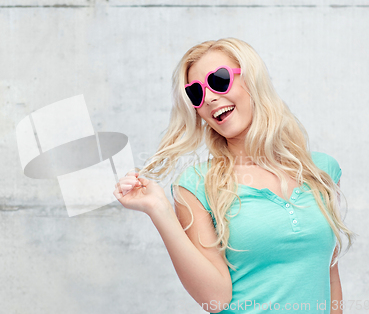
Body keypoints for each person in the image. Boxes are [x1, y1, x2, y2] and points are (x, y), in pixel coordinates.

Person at [112, 38, 355, 314]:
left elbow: (329, 274)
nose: (210, 97)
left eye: (218, 80)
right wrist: (159, 210)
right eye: (196, 93)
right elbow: (214, 299)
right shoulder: (196, 185)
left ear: (252, 80)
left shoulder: (321, 171)